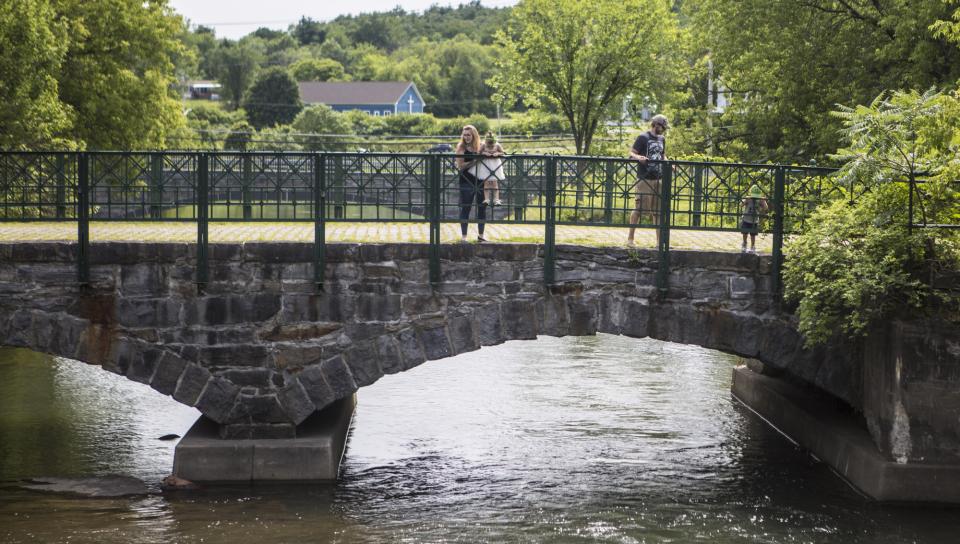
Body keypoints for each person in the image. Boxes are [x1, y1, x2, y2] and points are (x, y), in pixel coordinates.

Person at [627, 114, 669, 247]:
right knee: (638, 210)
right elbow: (631, 154)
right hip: (644, 178)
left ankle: (659, 243)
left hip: (658, 178)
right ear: (655, 124)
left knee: (658, 212)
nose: (663, 129)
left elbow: (662, 155)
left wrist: (669, 164)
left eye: (664, 127)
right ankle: (630, 240)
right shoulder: (643, 137)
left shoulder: (662, 139)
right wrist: (638, 157)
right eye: (661, 126)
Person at [456, 125, 487, 242]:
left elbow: (495, 148)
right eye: (464, 135)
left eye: (468, 134)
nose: (466, 137)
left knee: (482, 207)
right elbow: (460, 166)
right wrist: (475, 161)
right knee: (466, 208)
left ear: (474, 135)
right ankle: (464, 237)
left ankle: (481, 235)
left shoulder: (481, 146)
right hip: (466, 180)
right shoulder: (461, 147)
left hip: (481, 180)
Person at [478, 132, 506, 206]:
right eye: (489, 145)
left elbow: (503, 152)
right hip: (486, 164)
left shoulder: (497, 145)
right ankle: (486, 199)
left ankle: (496, 199)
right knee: (486, 183)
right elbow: (478, 152)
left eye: (492, 145)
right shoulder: (483, 145)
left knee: (494, 183)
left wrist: (497, 154)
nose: (490, 147)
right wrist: (484, 153)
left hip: (495, 165)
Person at [740, 184, 769, 253]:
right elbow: (741, 205)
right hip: (746, 219)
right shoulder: (748, 199)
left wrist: (763, 201)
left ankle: (753, 246)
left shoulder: (760, 200)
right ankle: (744, 243)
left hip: (754, 220)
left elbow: (766, 208)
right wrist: (745, 200)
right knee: (744, 233)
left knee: (753, 235)